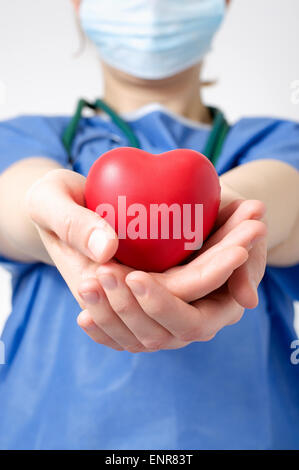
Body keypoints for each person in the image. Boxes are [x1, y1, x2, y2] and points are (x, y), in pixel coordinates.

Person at [0, 0, 298, 450]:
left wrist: (231, 213)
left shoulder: (274, 140)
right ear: (80, 5)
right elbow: (14, 207)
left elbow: (286, 201)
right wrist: (50, 216)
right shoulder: (30, 138)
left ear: (224, 4)